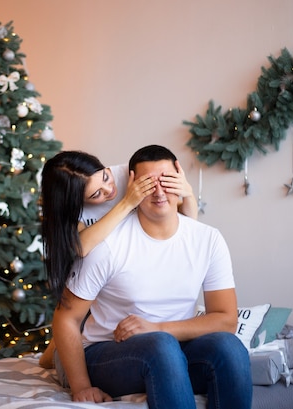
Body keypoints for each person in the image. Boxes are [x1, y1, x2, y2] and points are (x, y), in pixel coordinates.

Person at [51, 145, 252, 408]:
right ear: (132, 184)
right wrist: (82, 387)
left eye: (166, 181)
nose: (158, 191)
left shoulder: (209, 239)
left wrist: (157, 328)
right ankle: (53, 356)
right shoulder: (107, 245)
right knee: (161, 347)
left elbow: (226, 320)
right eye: (148, 184)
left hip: (171, 349)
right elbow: (66, 316)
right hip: (109, 352)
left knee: (230, 348)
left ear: (179, 177)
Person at [39, 149, 198, 367]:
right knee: (75, 312)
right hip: (99, 270)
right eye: (97, 195)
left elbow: (188, 220)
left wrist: (187, 193)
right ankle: (56, 350)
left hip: (134, 261)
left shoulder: (130, 174)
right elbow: (82, 247)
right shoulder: (72, 210)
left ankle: (56, 348)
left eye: (106, 177)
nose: (109, 189)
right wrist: (127, 202)